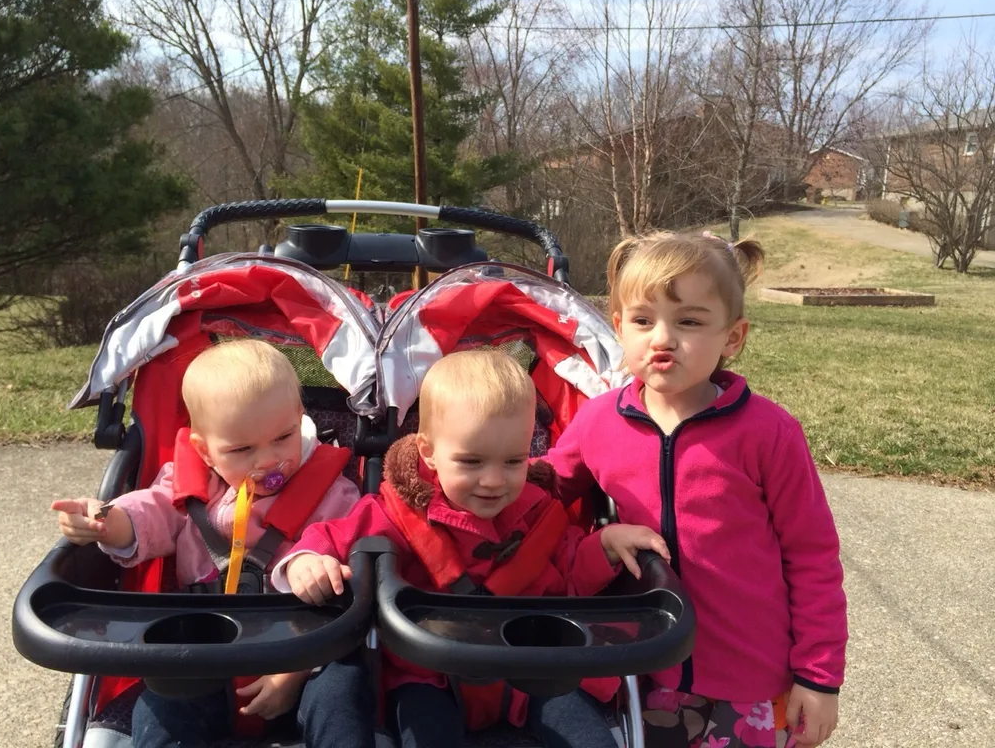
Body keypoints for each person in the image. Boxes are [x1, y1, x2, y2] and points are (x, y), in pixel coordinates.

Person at [274, 348, 669, 748]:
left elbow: (568, 568)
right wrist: (307, 561)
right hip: (429, 676)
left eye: (513, 461)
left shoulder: (537, 512)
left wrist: (605, 545)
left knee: (591, 739)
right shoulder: (394, 513)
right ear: (428, 451)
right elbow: (332, 535)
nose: (495, 481)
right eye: (472, 462)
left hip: (528, 669)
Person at [545, 231, 847, 748]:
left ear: (732, 337)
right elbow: (538, 487)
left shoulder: (768, 433)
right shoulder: (600, 422)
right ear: (618, 328)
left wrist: (818, 677)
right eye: (643, 320)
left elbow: (813, 556)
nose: (662, 338)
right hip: (643, 672)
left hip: (749, 681)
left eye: (688, 321)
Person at [52, 339, 374, 748]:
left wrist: (292, 672)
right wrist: (107, 522)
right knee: (160, 709)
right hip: (203, 655)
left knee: (343, 691)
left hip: (303, 656)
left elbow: (346, 556)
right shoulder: (190, 489)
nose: (268, 460)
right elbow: (149, 513)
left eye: (283, 437)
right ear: (204, 450)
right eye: (241, 450)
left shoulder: (333, 492)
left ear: (300, 417)